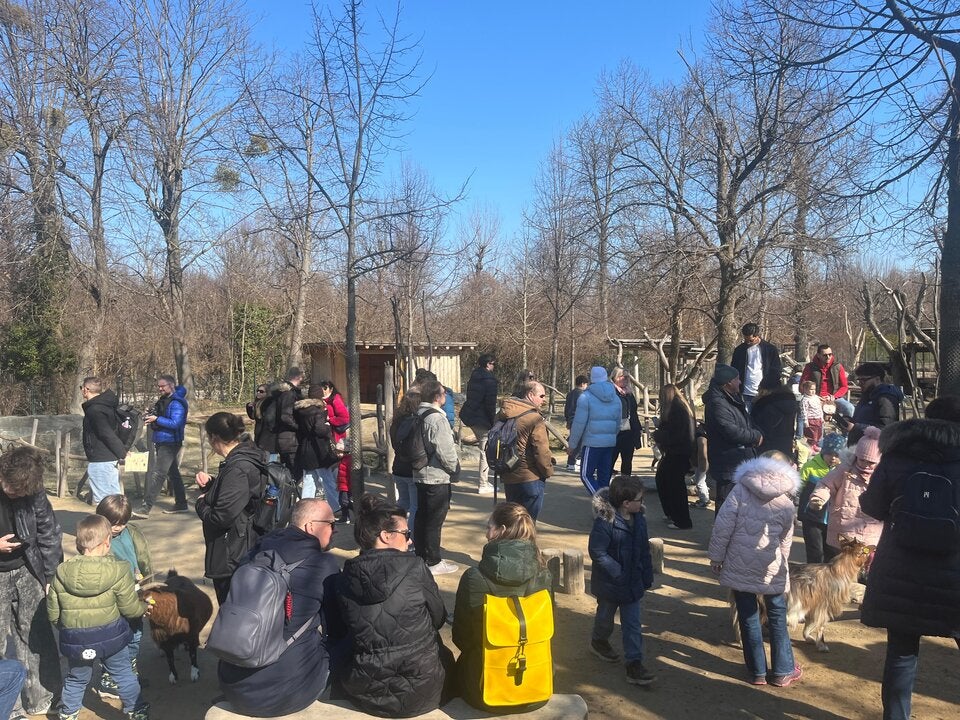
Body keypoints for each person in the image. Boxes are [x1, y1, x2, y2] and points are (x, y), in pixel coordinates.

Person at [858, 395, 960, 720]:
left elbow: (872, 507)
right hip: (954, 574)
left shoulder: (897, 454)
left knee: (901, 654)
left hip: (900, 571)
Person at [219, 498, 344, 717]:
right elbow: (336, 627)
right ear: (311, 526)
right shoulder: (323, 565)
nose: (335, 531)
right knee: (348, 640)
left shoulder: (255, 552)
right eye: (331, 524)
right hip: (288, 694)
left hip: (232, 685)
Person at [337, 494, 452, 717]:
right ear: (386, 536)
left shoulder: (345, 575)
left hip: (367, 690)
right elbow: (438, 618)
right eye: (406, 534)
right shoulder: (416, 567)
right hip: (424, 688)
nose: (410, 540)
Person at [708, 456, 802, 687]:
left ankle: (757, 672)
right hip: (772, 566)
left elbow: (723, 526)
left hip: (740, 565)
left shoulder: (739, 491)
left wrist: (716, 557)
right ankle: (782, 671)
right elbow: (786, 539)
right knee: (778, 617)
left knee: (748, 617)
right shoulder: (786, 502)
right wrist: (783, 562)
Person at [452, 502, 553, 711]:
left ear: (502, 530)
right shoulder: (543, 574)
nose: (486, 533)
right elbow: (549, 630)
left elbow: (462, 637)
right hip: (536, 687)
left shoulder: (474, 578)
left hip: (483, 688)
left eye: (489, 527)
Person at [48, 514, 150, 720]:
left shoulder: (62, 571)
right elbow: (130, 609)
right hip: (111, 637)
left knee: (76, 678)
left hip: (76, 639)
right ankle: (136, 709)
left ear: (79, 543)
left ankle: (68, 713)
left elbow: (53, 612)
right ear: (107, 542)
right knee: (123, 674)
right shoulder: (119, 570)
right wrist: (143, 607)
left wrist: (69, 629)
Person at [0, 447, 62, 718]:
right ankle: (7, 707)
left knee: (35, 635)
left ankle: (42, 697)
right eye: (11, 489)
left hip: (28, 568)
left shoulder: (33, 490)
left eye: (21, 493)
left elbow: (49, 531)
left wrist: (50, 576)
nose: (14, 495)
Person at [588, 475, 655, 686]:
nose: (642, 503)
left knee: (633, 624)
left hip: (632, 582)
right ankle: (599, 641)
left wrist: (646, 574)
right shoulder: (605, 522)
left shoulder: (640, 520)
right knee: (605, 618)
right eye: (639, 499)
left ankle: (634, 664)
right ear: (626, 503)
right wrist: (617, 572)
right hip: (610, 583)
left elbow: (643, 549)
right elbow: (597, 551)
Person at [194, 412, 265, 603]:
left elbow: (221, 517)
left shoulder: (238, 467)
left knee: (233, 609)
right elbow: (238, 495)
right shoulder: (243, 456)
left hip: (235, 552)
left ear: (214, 437)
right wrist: (211, 486)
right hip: (242, 544)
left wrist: (201, 503)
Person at [94, 494, 153, 698]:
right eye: (113, 523)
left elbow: (145, 561)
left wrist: (147, 589)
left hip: (135, 594)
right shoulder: (96, 541)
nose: (118, 528)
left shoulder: (133, 533)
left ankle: (128, 675)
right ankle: (108, 680)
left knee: (135, 636)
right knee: (114, 640)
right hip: (113, 600)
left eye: (122, 523)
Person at [808, 425, 884, 554]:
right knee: (839, 568)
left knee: (864, 568)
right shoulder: (844, 470)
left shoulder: (882, 475)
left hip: (870, 532)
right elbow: (826, 484)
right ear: (856, 456)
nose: (866, 465)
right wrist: (819, 498)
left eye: (871, 462)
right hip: (843, 530)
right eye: (862, 460)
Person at [413, 380, 461, 575]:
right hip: (436, 476)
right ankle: (433, 561)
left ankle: (421, 556)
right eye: (443, 393)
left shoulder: (418, 414)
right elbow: (445, 450)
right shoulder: (437, 419)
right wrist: (454, 469)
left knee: (421, 517)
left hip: (419, 473)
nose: (446, 396)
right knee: (434, 521)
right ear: (436, 396)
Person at [702, 364, 762, 511]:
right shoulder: (718, 404)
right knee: (727, 507)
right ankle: (721, 535)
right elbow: (730, 431)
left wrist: (758, 432)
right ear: (728, 382)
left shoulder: (733, 399)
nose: (740, 382)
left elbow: (748, 422)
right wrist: (754, 436)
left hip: (738, 461)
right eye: (737, 379)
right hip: (728, 464)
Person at [498, 379, 553, 521]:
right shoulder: (534, 418)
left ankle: (511, 542)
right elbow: (541, 451)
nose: (544, 400)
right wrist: (547, 471)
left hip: (509, 475)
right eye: (541, 396)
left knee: (513, 522)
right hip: (530, 477)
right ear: (530, 394)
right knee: (527, 524)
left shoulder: (503, 414)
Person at [138, 374, 189, 517]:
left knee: (158, 474)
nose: (160, 389)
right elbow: (162, 417)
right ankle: (181, 503)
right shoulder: (164, 400)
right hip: (162, 440)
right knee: (173, 473)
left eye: (162, 386)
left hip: (170, 442)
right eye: (158, 386)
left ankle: (145, 507)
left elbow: (176, 423)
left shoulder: (177, 402)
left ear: (171, 385)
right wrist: (152, 418)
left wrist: (157, 419)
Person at [568, 366, 621, 496]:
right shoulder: (616, 397)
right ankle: (604, 513)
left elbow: (578, 424)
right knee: (604, 476)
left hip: (592, 443)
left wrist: (572, 445)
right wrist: (612, 436)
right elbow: (618, 423)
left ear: (592, 378)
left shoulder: (586, 397)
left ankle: (603, 502)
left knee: (586, 475)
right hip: (609, 443)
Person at [796, 433, 846, 563]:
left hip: (833, 519)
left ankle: (827, 582)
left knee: (832, 553)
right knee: (815, 552)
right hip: (811, 517)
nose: (833, 458)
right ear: (823, 452)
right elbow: (797, 488)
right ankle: (812, 580)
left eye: (837, 455)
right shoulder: (810, 467)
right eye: (830, 454)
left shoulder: (844, 471)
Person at [652, 384, 695, 529]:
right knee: (664, 479)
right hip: (678, 451)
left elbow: (675, 434)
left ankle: (682, 520)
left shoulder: (677, 409)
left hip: (678, 451)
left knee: (675, 486)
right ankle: (671, 513)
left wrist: (658, 434)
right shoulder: (680, 407)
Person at [80, 376, 127, 503]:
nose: (81, 391)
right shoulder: (105, 406)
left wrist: (122, 452)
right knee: (115, 503)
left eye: (81, 388)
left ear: (86, 389)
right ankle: (119, 522)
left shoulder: (95, 410)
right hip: (108, 458)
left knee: (104, 503)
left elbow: (106, 433)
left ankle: (107, 522)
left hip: (101, 460)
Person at [459, 353, 499, 494]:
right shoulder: (490, 380)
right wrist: (491, 421)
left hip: (470, 415)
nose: (494, 366)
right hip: (482, 418)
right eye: (493, 364)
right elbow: (490, 404)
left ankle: (484, 481)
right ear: (488, 364)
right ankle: (483, 483)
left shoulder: (474, 377)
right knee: (485, 450)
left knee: (483, 448)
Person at [293, 385, 339, 500]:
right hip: (318, 450)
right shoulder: (317, 411)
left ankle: (305, 506)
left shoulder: (301, 411)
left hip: (305, 448)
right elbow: (319, 429)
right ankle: (336, 506)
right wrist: (328, 427)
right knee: (327, 479)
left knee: (309, 480)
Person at [840, 362, 903, 444]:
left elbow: (885, 428)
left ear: (877, 379)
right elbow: (864, 419)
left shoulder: (886, 398)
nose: (860, 384)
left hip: (874, 450)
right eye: (859, 380)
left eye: (863, 380)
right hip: (860, 446)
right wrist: (849, 420)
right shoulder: (867, 395)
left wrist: (855, 428)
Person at [389, 390, 422, 536]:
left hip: (398, 466)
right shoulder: (416, 422)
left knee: (402, 502)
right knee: (415, 506)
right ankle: (411, 538)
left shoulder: (396, 422)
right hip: (412, 469)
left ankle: (394, 530)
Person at [320, 380, 352, 523]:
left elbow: (344, 418)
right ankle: (340, 504)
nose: (323, 390)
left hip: (337, 438)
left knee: (338, 472)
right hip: (328, 438)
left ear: (331, 388)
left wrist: (330, 419)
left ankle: (343, 505)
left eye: (325, 388)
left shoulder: (335, 399)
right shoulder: (322, 400)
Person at [731, 323, 782, 412]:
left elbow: (776, 370)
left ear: (757, 336)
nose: (748, 342)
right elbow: (734, 370)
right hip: (745, 392)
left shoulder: (770, 349)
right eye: (745, 340)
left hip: (764, 393)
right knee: (747, 420)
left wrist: (769, 387)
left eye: (750, 340)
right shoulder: (739, 350)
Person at [801, 344, 854, 418]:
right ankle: (805, 429)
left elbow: (844, 386)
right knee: (802, 412)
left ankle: (847, 428)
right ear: (818, 355)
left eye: (830, 354)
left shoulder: (838, 367)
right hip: (815, 398)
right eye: (825, 355)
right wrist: (814, 396)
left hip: (834, 397)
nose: (828, 357)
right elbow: (802, 386)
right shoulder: (810, 367)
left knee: (849, 408)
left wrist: (834, 396)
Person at [751, 380, 800, 458]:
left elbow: (760, 427)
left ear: (765, 390)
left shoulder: (764, 405)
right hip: (786, 444)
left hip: (767, 447)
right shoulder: (790, 401)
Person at [609, 368, 642, 476]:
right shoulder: (610, 392)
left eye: (627, 377)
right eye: (621, 376)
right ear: (614, 378)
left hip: (629, 432)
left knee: (627, 462)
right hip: (614, 433)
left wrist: (638, 430)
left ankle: (626, 486)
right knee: (610, 461)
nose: (625, 379)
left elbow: (634, 413)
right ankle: (604, 486)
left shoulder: (629, 393)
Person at [274, 367, 305, 474]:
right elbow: (285, 417)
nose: (302, 379)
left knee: (289, 471)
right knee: (294, 472)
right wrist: (299, 426)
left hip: (286, 438)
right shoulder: (289, 394)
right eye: (301, 377)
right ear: (298, 377)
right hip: (290, 439)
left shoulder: (283, 393)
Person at [564, 375, 588, 471]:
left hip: (570, 419)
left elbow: (566, 409)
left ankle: (573, 461)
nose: (586, 386)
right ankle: (573, 462)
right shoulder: (582, 395)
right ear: (582, 384)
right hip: (578, 420)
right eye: (586, 384)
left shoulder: (570, 393)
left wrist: (568, 420)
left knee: (574, 442)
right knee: (579, 442)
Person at [799, 380, 824, 448]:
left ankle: (814, 445)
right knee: (812, 435)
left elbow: (819, 408)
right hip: (811, 420)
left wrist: (821, 417)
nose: (813, 391)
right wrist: (805, 421)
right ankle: (810, 446)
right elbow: (804, 411)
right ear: (805, 389)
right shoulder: (805, 400)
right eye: (811, 389)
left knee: (818, 434)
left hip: (818, 418)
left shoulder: (816, 397)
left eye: (814, 389)